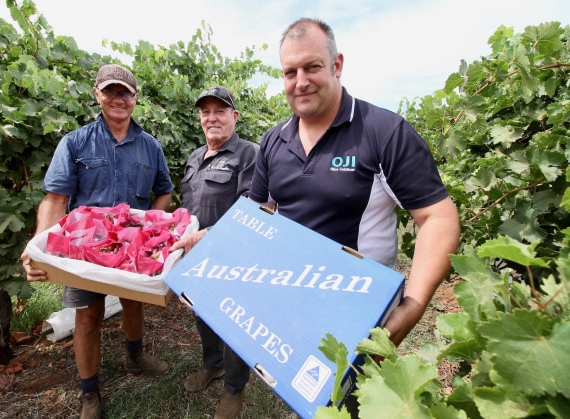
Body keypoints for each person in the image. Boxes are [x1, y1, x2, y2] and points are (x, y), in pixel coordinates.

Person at [248, 17, 460, 413]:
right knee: (308, 399)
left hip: (361, 317)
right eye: (289, 72)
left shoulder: (383, 131)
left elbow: (439, 218)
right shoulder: (273, 141)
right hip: (293, 306)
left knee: (355, 404)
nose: (301, 81)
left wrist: (412, 306)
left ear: (337, 65)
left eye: (312, 67)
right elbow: (258, 214)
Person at [20, 64, 174, 419]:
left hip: (131, 249)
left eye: (125, 92)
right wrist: (37, 248)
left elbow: (164, 193)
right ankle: (90, 392)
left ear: (136, 99)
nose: (118, 99)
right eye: (111, 91)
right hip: (84, 251)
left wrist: (150, 227)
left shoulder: (150, 147)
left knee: (133, 305)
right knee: (87, 317)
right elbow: (56, 199)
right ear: (97, 94)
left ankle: (135, 356)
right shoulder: (75, 142)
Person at [170, 86, 259, 419]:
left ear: (234, 116)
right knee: (202, 314)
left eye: (220, 111)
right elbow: (187, 207)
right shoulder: (194, 157)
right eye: (205, 112)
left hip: (233, 258)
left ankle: (234, 389)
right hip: (197, 259)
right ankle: (213, 365)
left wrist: (207, 235)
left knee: (232, 322)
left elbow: (254, 209)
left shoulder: (249, 154)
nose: (212, 118)